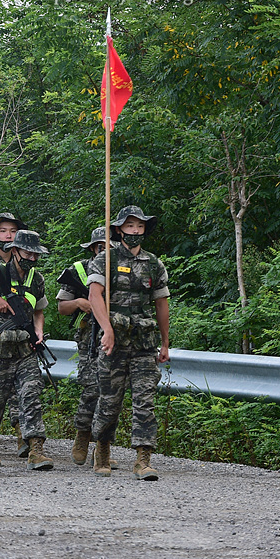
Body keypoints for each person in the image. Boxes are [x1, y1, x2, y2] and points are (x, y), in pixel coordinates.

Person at [88, 205, 170, 481]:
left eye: (139, 226)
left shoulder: (154, 264)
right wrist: (107, 329)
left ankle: (143, 459)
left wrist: (166, 343)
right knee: (110, 402)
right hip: (114, 342)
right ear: (119, 229)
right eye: (130, 226)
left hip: (144, 344)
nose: (135, 231)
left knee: (145, 401)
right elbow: (94, 296)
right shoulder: (105, 260)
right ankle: (102, 448)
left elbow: (161, 304)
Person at [0, 230, 53, 470]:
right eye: (27, 253)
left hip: (25, 349)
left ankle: (36, 449)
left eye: (35, 255)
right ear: (14, 251)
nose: (32, 258)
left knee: (31, 395)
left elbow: (39, 311)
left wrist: (38, 332)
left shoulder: (37, 279)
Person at [56, 226, 110, 466]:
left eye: (107, 246)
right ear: (92, 248)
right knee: (91, 387)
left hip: (114, 334)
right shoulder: (78, 270)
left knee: (110, 392)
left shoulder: (123, 269)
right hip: (89, 336)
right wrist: (80, 302)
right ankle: (82, 434)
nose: (103, 251)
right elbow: (61, 308)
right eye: (99, 247)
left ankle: (103, 446)